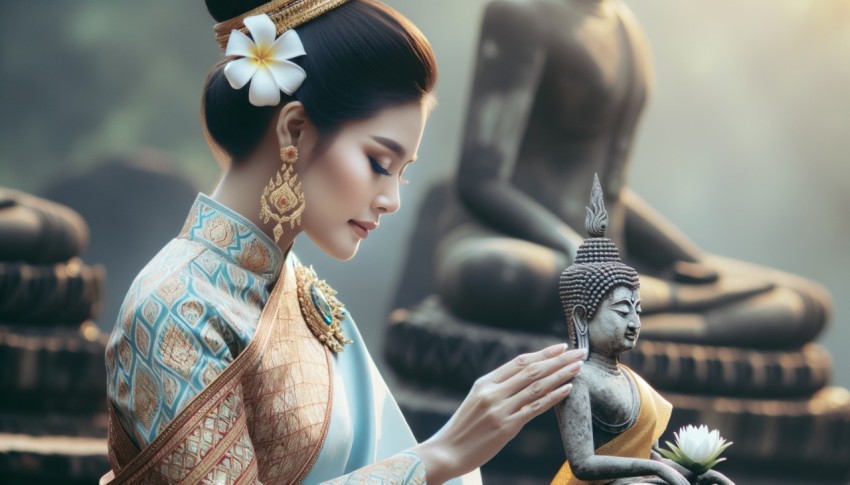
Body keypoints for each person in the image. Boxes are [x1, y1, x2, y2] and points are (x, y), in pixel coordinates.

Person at [102, 1, 584, 483]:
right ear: (295, 130)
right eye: (379, 162)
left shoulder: (309, 299)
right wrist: (438, 457)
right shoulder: (174, 308)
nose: (391, 199)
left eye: (403, 173)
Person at [434, 0, 830, 347]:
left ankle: (629, 323)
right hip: (514, 245)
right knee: (500, 276)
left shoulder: (627, 29)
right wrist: (580, 253)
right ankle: (642, 310)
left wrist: (690, 261)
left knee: (805, 305)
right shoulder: (520, 15)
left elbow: (612, 192)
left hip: (607, 264)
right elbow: (479, 181)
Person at [552, 176, 732, 485]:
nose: (634, 322)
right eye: (622, 311)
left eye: (638, 311)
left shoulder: (631, 380)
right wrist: (660, 472)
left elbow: (649, 455)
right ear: (583, 317)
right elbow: (582, 463)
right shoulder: (577, 376)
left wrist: (695, 473)